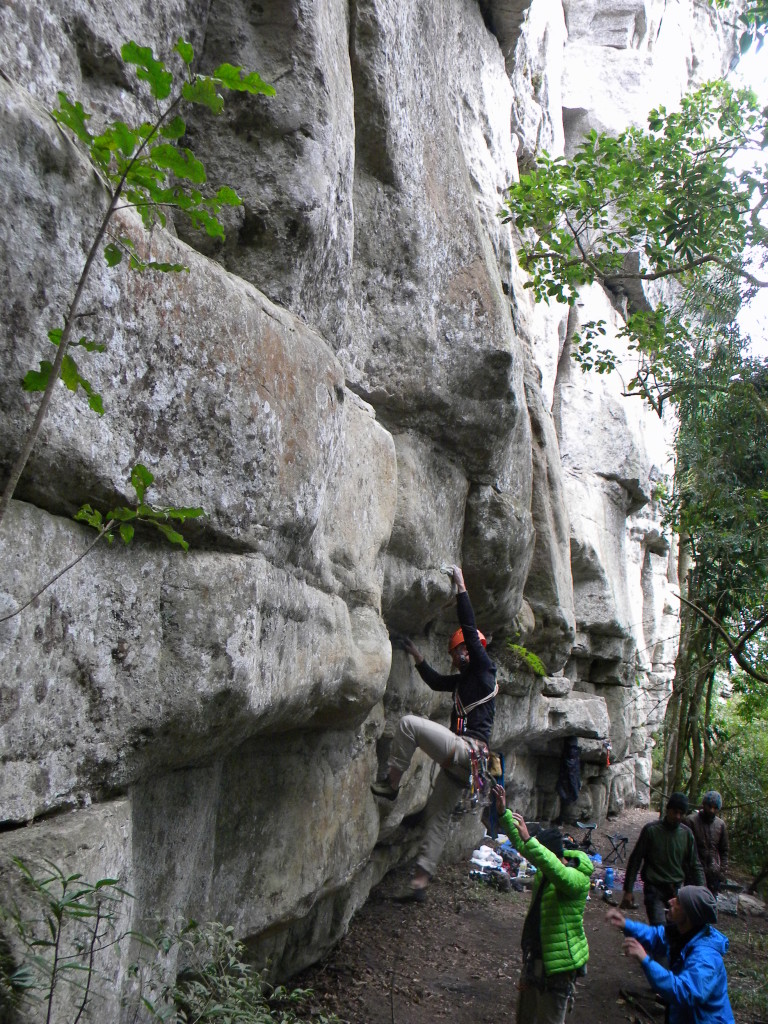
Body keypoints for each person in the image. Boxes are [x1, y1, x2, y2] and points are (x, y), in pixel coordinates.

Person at [371, 564, 497, 899]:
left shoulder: (485, 669)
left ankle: (392, 785)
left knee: (408, 725)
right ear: (455, 656)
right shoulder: (464, 681)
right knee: (437, 817)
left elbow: (469, 628)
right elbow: (436, 681)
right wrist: (415, 655)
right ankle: (420, 883)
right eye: (460, 651)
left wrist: (461, 585)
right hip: (467, 765)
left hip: (467, 752)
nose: (465, 652)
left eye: (468, 648)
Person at [494, 785, 593, 1024]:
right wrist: (503, 813)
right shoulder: (548, 870)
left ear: (550, 854)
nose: (536, 860)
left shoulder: (577, 878)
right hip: (536, 956)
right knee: (525, 1017)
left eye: (541, 853)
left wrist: (530, 841)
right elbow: (523, 847)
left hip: (560, 965)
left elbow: (555, 870)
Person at [606, 886, 735, 1024]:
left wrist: (645, 960)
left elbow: (685, 992)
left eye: (678, 902)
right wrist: (626, 924)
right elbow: (655, 936)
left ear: (689, 914)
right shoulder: (683, 933)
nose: (670, 901)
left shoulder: (705, 957)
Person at [621, 793, 706, 924]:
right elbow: (635, 860)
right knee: (659, 926)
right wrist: (628, 890)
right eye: (675, 812)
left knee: (674, 930)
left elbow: (695, 865)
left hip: (676, 890)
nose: (677, 816)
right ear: (668, 810)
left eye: (681, 813)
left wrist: (702, 892)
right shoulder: (651, 830)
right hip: (654, 888)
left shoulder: (687, 834)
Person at [686, 792, 729, 896]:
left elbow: (724, 850)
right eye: (709, 806)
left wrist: (722, 871)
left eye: (715, 808)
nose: (711, 810)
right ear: (703, 804)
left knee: (710, 905)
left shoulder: (720, 825)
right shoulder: (690, 821)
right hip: (692, 872)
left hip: (713, 874)